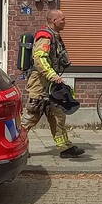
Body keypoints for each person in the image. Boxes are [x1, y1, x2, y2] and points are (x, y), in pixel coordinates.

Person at [21, 9, 85, 158]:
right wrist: (52, 75)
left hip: (51, 85)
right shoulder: (45, 36)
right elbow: (40, 59)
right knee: (31, 117)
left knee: (58, 114)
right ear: (54, 21)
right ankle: (17, 147)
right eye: (62, 19)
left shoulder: (55, 36)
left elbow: (54, 57)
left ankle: (65, 147)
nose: (65, 22)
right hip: (40, 84)